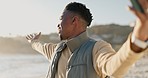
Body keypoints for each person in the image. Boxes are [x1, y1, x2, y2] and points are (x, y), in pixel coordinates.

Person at [26, 1, 148, 78]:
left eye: (61, 18)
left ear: (74, 21)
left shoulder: (97, 48)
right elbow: (40, 46)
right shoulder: (56, 50)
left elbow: (114, 67)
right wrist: (33, 42)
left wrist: (138, 39)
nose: (58, 24)